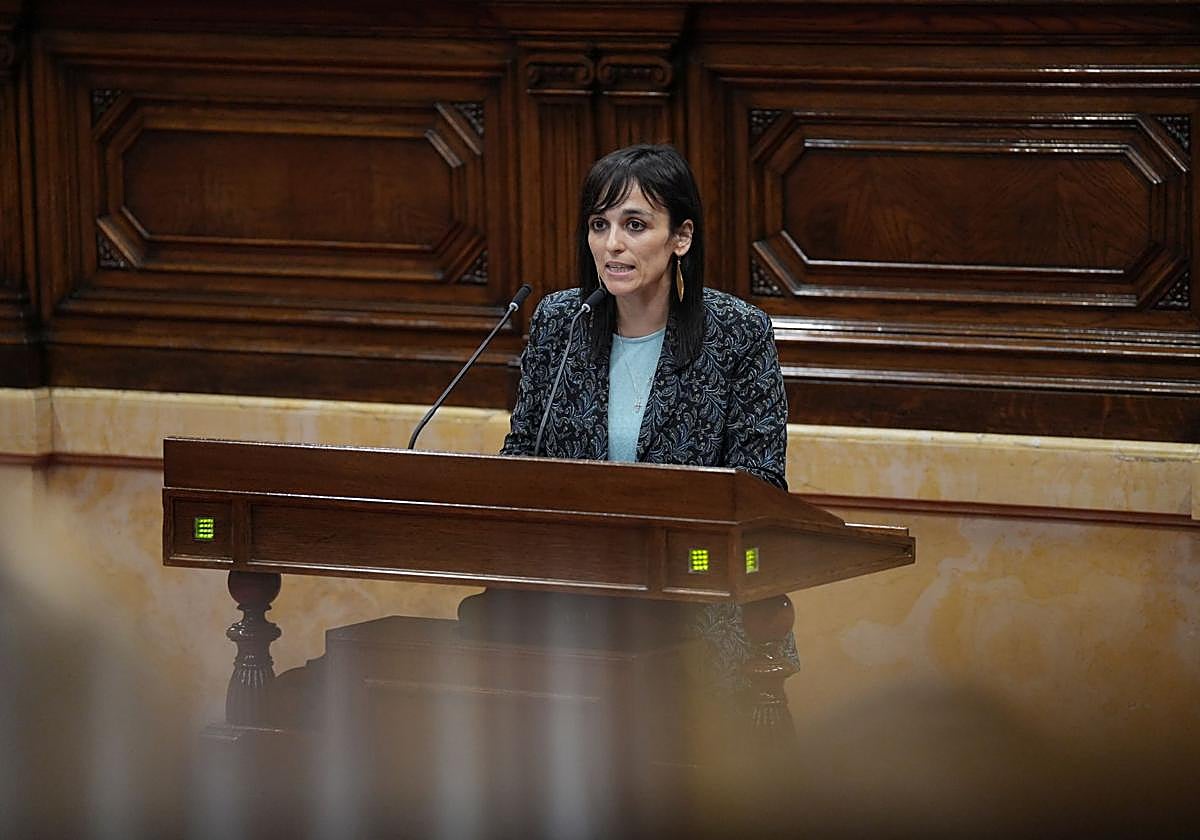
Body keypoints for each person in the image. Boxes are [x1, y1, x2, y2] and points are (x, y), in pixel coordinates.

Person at [500, 143, 796, 696]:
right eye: (600, 224)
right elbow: (522, 457)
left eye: (635, 225)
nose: (612, 244)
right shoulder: (561, 321)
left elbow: (760, 483)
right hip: (574, 599)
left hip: (694, 599)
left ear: (680, 238)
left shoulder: (736, 333)